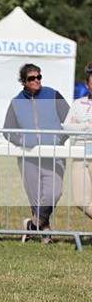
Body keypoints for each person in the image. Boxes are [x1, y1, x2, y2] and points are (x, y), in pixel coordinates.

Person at [3, 64, 70, 244]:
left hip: (54, 156)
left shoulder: (53, 94)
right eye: (32, 78)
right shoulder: (16, 102)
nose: (36, 81)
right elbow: (7, 131)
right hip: (28, 157)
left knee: (53, 193)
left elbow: (71, 121)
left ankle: (32, 226)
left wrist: (59, 140)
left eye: (39, 77)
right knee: (36, 199)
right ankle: (45, 233)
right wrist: (22, 141)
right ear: (23, 81)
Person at [63, 64, 92, 220]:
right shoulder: (77, 104)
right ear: (87, 85)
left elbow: (73, 126)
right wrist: (87, 125)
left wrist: (78, 125)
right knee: (81, 201)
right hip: (79, 154)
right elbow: (67, 127)